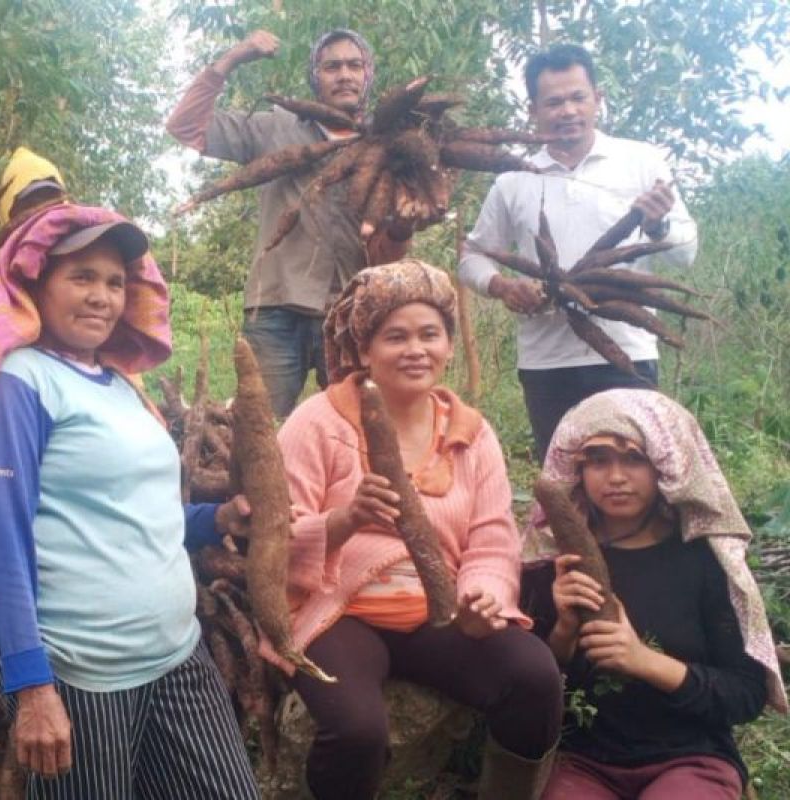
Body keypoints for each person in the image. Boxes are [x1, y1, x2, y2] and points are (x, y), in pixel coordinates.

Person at [0, 203, 259, 798]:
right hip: (81, 673)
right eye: (80, 277)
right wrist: (32, 687)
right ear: (37, 284)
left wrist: (214, 519)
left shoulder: (121, 386)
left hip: (175, 656)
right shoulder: (21, 383)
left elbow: (133, 511)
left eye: (114, 282)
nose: (101, 297)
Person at [269, 259, 563, 800]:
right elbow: (273, 540)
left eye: (431, 334)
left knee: (534, 678)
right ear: (363, 350)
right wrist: (343, 520)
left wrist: (484, 601)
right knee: (358, 730)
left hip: (440, 611)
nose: (415, 349)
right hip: (339, 610)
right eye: (394, 336)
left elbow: (493, 539)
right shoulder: (319, 421)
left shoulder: (472, 434)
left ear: (449, 344)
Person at [524, 389, 788, 798]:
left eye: (634, 458)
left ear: (667, 465)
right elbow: (532, 690)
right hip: (584, 761)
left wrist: (644, 661)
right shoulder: (560, 563)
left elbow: (746, 695)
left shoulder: (705, 562)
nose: (615, 477)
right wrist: (563, 629)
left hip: (690, 757)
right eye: (597, 460)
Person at [458, 43, 698, 459]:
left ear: (597, 99)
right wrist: (500, 286)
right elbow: (471, 256)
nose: (567, 110)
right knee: (562, 485)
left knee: (635, 480)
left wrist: (658, 225)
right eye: (554, 102)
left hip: (629, 353)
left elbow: (685, 253)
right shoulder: (514, 179)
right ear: (533, 109)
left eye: (577, 97)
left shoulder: (641, 161)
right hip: (546, 362)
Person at [167, 29, 413, 417]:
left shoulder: (389, 147)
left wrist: (402, 227)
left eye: (355, 65)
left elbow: (386, 254)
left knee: (357, 428)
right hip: (276, 308)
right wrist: (234, 57)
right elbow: (185, 127)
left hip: (351, 311)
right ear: (316, 77)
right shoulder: (276, 128)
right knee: (258, 428)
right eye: (331, 66)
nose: (344, 75)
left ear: (369, 75)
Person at [0, 146, 68, 363]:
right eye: (30, 205)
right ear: (8, 212)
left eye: (52, 202)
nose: (43, 213)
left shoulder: (82, 268)